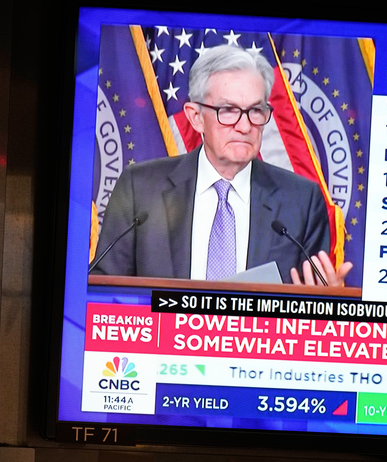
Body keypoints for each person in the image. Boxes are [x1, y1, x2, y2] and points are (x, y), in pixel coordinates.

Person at [92, 44, 352, 287]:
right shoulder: (141, 189)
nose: (244, 126)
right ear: (196, 118)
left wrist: (329, 299)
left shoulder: (302, 201)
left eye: (256, 110)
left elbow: (312, 311)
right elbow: (104, 296)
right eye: (228, 110)